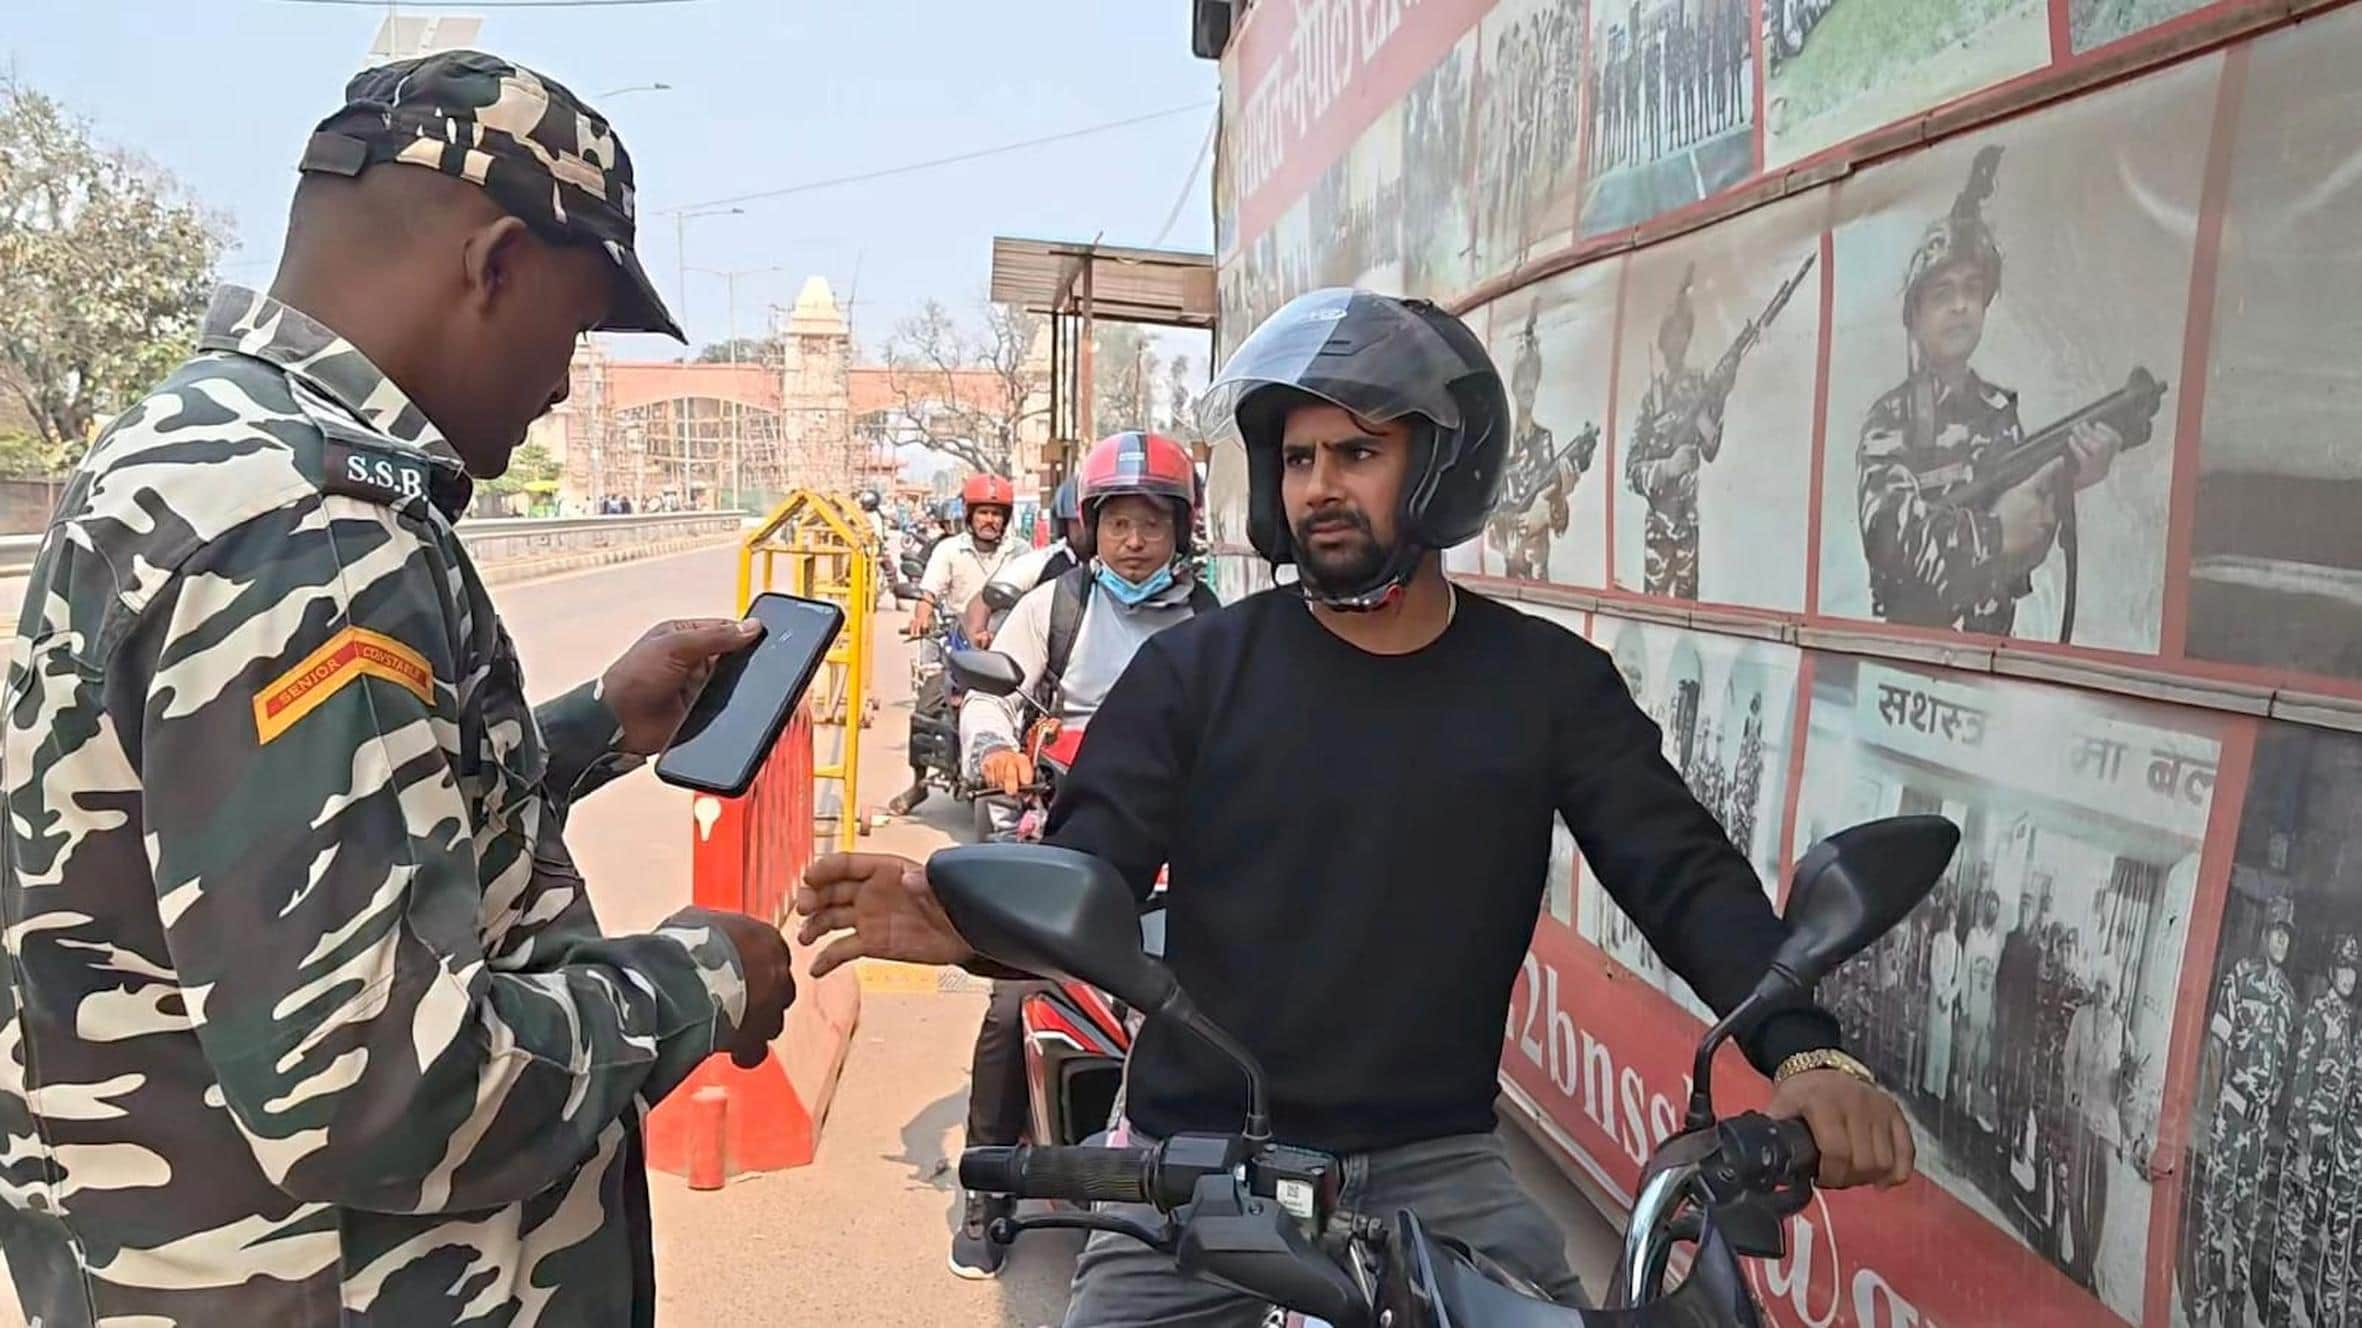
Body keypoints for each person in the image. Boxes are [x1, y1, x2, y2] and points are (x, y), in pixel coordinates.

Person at [798, 288, 1916, 1326]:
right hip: (1202, 1157)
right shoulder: (1197, 672)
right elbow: (1088, 872)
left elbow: (1680, 871)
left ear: (1441, 468)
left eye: (1358, 453)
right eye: (1299, 459)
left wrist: (1805, 1053)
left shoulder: (1546, 687)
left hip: (1438, 1163)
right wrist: (968, 921)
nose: (1319, 486)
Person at [0, 52, 798, 1327]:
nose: (563, 382)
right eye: (575, 331)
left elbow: (258, 834)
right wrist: (701, 981)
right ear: (496, 266)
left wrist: (597, 725)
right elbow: (378, 1081)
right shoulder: (312, 530)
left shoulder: (204, 444)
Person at [947, 430, 1220, 1279]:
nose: (1134, 542)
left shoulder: (1212, 622)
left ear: (1182, 530)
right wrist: (996, 748)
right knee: (1010, 999)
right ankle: (988, 1185)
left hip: (1181, 842)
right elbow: (989, 694)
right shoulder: (1053, 609)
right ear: (1090, 527)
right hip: (1065, 829)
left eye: (1153, 524)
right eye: (1118, 523)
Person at [1856, 144, 2128, 638]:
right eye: (1942, 294)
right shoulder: (1891, 419)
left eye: (1972, 290)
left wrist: (2068, 481)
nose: (1960, 306)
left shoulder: (1997, 411)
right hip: (1911, 658)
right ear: (1915, 317)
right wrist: (1996, 533)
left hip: (1991, 651)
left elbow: (2025, 542)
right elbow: (1889, 542)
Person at [2190, 897, 2298, 1328]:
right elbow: (2216, 1047)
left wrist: (2268, 1113)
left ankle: (2233, 1305)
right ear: (2264, 933)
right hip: (2231, 1115)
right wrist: (2220, 1105)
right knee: (2215, 1211)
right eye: (2276, 932)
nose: (2281, 941)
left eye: (2287, 935)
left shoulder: (2288, 999)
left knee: (2247, 1222)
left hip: (2259, 1129)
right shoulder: (2240, 977)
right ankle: (2204, 1298)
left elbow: (2283, 1070)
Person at [891, 474, 1020, 816]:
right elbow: (929, 592)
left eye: (997, 514)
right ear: (970, 516)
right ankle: (919, 784)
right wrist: (922, 615)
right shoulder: (949, 549)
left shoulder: (1020, 552)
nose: (990, 520)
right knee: (928, 703)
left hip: (1010, 641)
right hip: (960, 642)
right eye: (983, 513)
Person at [2267, 934, 2356, 1326]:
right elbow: (2301, 1087)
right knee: (2291, 1229)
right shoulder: (2320, 1013)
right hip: (2307, 1143)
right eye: (2343, 968)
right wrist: (2301, 1149)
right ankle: (2277, 1311)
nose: (2348, 977)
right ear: (2332, 970)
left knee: (2310, 1233)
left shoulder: (2347, 1022)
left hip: (2328, 1152)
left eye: (2353, 970)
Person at [963, 474, 1092, 650]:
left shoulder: (1126, 572)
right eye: (1079, 522)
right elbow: (983, 599)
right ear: (1064, 524)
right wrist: (979, 637)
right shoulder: (1045, 561)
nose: (1089, 530)